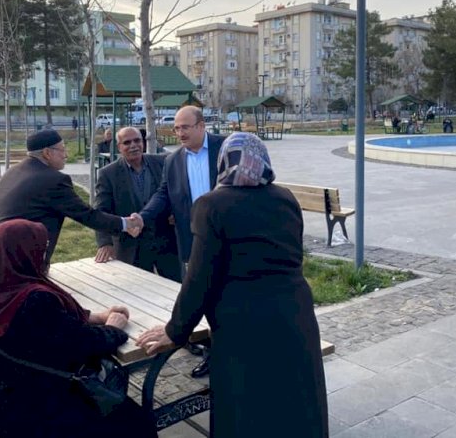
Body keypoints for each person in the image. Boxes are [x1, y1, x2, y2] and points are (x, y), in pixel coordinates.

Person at [136, 133, 329, 438]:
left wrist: (175, 331)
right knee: (295, 397)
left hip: (243, 324)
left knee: (248, 406)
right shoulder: (285, 198)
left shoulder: (212, 205)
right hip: (294, 314)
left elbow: (199, 279)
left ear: (224, 162)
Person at [0, 219, 157, 438]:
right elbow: (83, 344)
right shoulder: (33, 300)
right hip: (29, 418)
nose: (45, 256)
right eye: (42, 249)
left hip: (2, 402)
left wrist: (97, 316)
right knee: (137, 423)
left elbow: (50, 327)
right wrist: (113, 327)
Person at [139, 105, 226, 378]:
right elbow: (163, 194)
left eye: (185, 127)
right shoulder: (172, 161)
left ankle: (231, 353)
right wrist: (142, 217)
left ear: (201, 126)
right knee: (204, 298)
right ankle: (211, 354)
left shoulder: (225, 147)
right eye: (176, 128)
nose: (179, 133)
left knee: (227, 299)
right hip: (194, 242)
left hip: (229, 240)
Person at [0, 129, 142, 267]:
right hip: (12, 265)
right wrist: (127, 223)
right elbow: (87, 215)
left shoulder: (14, 171)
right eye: (62, 149)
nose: (65, 154)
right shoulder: (52, 180)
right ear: (47, 153)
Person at [94, 127, 180, 282]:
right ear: (119, 147)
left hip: (166, 242)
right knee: (137, 293)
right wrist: (104, 243)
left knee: (178, 290)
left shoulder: (162, 163)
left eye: (137, 140)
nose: (133, 145)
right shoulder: (108, 174)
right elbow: (101, 211)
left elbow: (176, 192)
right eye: (127, 142)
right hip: (132, 246)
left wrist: (176, 212)